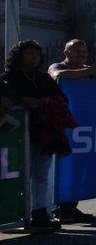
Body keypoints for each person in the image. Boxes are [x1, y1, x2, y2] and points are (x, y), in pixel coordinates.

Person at [2, 40, 70, 233]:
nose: (34, 58)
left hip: (43, 133)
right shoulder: (8, 77)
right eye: (30, 54)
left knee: (41, 174)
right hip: (16, 136)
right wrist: (22, 101)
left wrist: (43, 102)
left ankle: (40, 211)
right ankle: (15, 213)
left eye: (37, 54)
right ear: (19, 56)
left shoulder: (43, 78)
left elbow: (62, 98)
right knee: (20, 174)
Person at [46, 39, 96, 223]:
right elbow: (57, 75)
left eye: (84, 52)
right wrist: (88, 72)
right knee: (68, 166)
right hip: (65, 127)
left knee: (87, 166)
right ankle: (59, 208)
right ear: (66, 53)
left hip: (88, 127)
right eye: (77, 52)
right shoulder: (58, 66)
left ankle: (71, 207)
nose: (81, 55)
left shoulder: (89, 71)